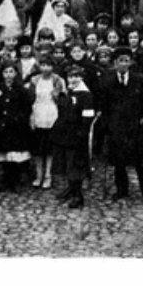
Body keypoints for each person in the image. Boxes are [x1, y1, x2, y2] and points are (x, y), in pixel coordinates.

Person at [100, 47, 143, 205]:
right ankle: (122, 190)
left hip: (135, 126)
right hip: (117, 127)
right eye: (120, 61)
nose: (124, 64)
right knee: (119, 160)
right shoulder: (108, 81)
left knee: (141, 161)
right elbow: (103, 104)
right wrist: (108, 124)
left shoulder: (139, 79)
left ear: (130, 62)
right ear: (115, 63)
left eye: (126, 61)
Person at [51, 65, 96, 209]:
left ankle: (78, 195)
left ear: (81, 78)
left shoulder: (86, 95)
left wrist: (81, 134)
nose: (73, 79)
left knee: (75, 166)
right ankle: (70, 189)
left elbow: (87, 117)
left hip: (77, 136)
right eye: (70, 76)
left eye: (76, 76)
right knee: (66, 164)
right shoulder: (68, 92)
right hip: (65, 134)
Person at [0, 64, 33, 192]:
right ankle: (5, 180)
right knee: (4, 154)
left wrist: (18, 119)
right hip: (1, 126)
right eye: (6, 72)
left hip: (16, 127)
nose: (8, 75)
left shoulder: (21, 89)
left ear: (15, 74)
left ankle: (15, 180)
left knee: (15, 154)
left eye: (11, 72)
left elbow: (26, 108)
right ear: (2, 74)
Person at [27, 55, 64, 189]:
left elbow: (61, 99)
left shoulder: (57, 80)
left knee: (49, 149)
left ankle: (48, 175)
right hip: (38, 113)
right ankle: (39, 174)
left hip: (52, 114)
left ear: (52, 67)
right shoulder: (35, 80)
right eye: (43, 65)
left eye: (48, 65)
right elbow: (30, 98)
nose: (45, 68)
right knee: (38, 148)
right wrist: (31, 115)